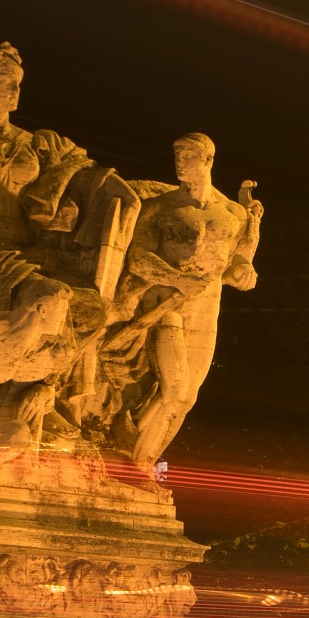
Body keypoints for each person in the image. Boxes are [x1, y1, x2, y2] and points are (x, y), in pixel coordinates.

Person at [101, 133, 262, 468]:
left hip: (207, 309)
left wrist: (243, 271)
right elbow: (138, 258)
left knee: (185, 399)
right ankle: (133, 456)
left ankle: (137, 461)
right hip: (166, 304)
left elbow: (235, 262)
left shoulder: (232, 213)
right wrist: (177, 278)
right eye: (177, 154)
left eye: (188, 155)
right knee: (175, 389)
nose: (179, 161)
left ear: (207, 160)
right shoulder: (161, 208)